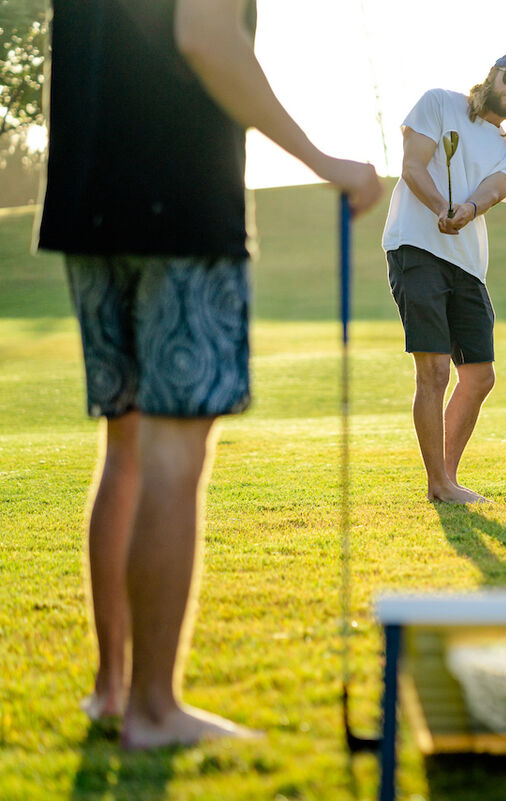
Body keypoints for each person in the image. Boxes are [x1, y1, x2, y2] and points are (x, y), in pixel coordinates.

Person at [37, 0, 383, 749]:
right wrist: (325, 162)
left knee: (125, 446)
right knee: (169, 453)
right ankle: (155, 711)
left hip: (85, 202)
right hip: (180, 202)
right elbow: (206, 38)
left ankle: (114, 689)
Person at [382, 52, 506, 504]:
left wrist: (467, 210)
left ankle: (446, 480)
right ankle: (439, 484)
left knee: (479, 377)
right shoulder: (438, 103)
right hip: (415, 247)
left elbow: (492, 191)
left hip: (467, 264)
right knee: (433, 372)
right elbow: (413, 166)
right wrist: (440, 207)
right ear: (492, 74)